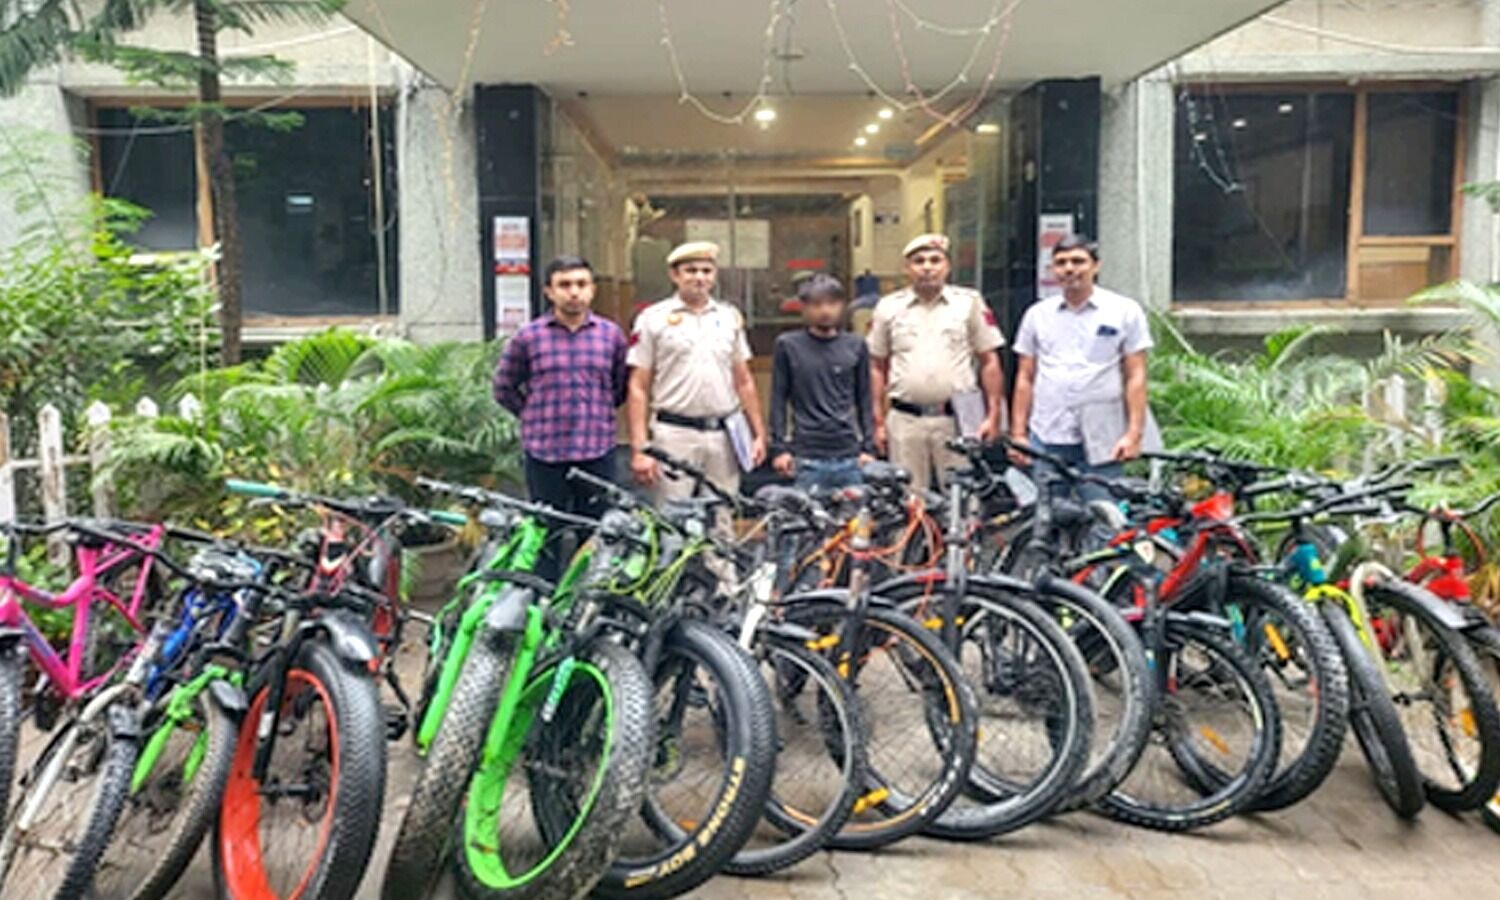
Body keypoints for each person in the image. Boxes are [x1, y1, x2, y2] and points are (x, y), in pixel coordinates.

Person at [493, 255, 628, 573]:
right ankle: (543, 595)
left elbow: (619, 387)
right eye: (564, 285)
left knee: (595, 534)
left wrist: (597, 413)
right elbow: (503, 386)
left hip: (596, 450)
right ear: (549, 292)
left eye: (581, 284)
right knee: (545, 534)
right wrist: (532, 415)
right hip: (545, 452)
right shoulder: (529, 337)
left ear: (592, 289)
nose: (574, 292)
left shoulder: (610, 336)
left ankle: (584, 597)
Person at [1008, 236, 1154, 503]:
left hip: (1103, 436)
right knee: (1048, 514)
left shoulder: (1124, 311)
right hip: (1048, 434)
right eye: (1061, 262)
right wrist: (1018, 433)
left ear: (1096, 266)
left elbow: (1136, 376)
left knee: (1104, 513)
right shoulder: (1037, 315)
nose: (1069, 269)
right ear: (1052, 269)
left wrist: (1134, 434)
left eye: (1078, 261)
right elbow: (1025, 377)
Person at [627, 241, 767, 500]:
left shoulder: (729, 318)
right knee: (673, 516)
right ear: (674, 275)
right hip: (674, 434)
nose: (700, 278)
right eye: (691, 270)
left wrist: (758, 434)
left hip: (723, 435)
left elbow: (744, 380)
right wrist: (640, 448)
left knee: (723, 514)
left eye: (706, 271)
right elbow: (638, 386)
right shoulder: (652, 319)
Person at [867, 233, 1006, 493]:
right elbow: (876, 366)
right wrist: (877, 422)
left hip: (957, 419)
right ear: (907, 269)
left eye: (935, 260)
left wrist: (993, 415)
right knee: (909, 500)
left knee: (963, 499)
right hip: (906, 420)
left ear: (947, 266)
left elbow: (989, 360)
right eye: (919, 261)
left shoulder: (968, 303)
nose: (927, 267)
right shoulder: (888, 307)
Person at [770, 274, 875, 492]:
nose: (825, 311)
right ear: (804, 308)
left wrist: (868, 447)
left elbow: (865, 398)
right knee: (808, 513)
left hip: (849, 454)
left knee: (855, 514)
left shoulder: (856, 345)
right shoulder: (788, 346)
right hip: (807, 454)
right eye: (817, 304)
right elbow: (778, 399)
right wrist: (780, 449)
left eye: (832, 303)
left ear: (842, 306)